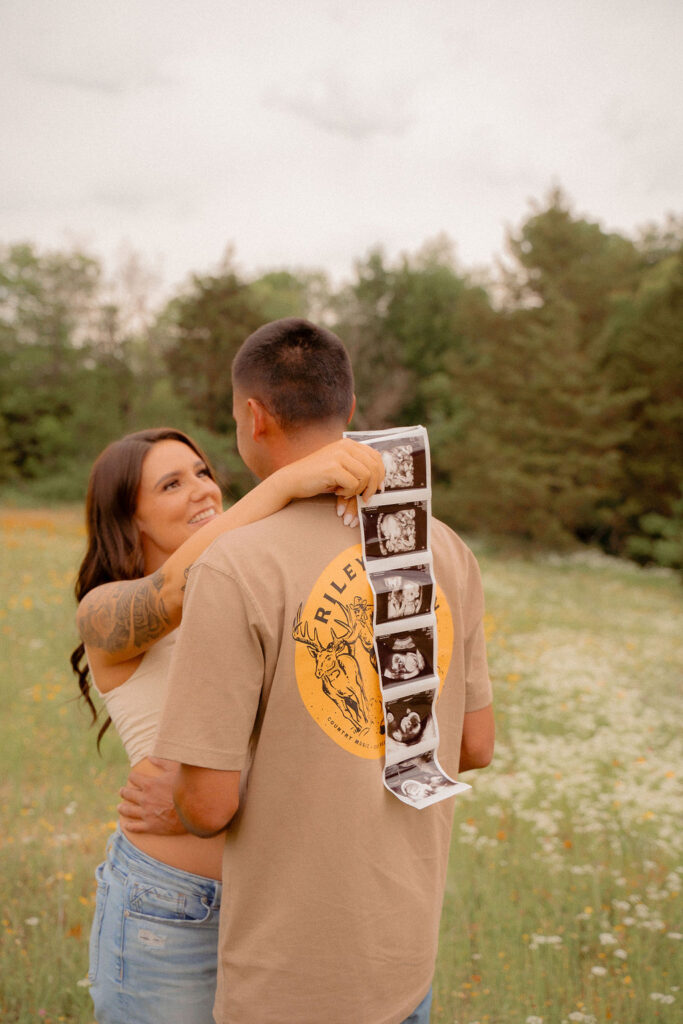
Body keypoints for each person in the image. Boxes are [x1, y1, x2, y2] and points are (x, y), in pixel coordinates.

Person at [153, 318, 495, 1024]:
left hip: (287, 984)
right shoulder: (443, 548)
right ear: (350, 404)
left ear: (254, 416)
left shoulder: (236, 562)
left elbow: (208, 806)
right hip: (403, 963)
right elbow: (473, 747)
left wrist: (176, 798)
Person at [71, 425, 384, 1024]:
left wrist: (207, 795)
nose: (200, 490)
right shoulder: (106, 612)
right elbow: (170, 593)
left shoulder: (253, 591)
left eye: (203, 473)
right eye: (170, 484)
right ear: (129, 518)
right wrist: (288, 480)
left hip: (276, 901)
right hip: (171, 908)